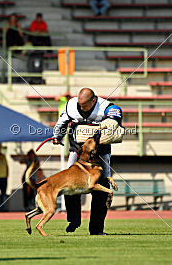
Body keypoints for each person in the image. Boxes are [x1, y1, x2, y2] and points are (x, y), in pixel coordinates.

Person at [52, 88, 123, 235]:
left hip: (101, 151)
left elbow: (115, 115)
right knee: (70, 184)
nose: (81, 108)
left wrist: (113, 122)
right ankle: (74, 220)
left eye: (84, 105)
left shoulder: (105, 107)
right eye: (80, 104)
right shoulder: (71, 105)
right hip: (77, 150)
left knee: (102, 187)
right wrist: (57, 136)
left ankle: (96, 229)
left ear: (94, 101)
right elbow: (62, 121)